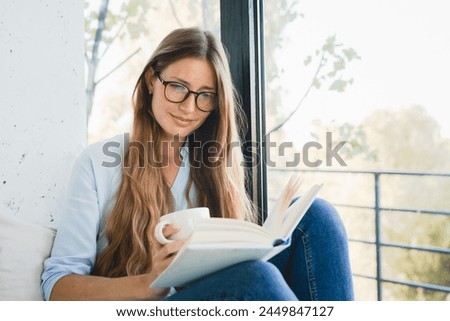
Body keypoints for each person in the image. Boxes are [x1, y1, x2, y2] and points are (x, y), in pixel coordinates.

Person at [41, 27, 354, 301]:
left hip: (218, 297)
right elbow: (58, 288)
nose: (189, 108)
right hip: (148, 305)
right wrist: (150, 283)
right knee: (256, 277)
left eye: (205, 95)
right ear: (152, 80)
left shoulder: (214, 164)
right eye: (177, 87)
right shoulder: (98, 163)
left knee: (317, 216)